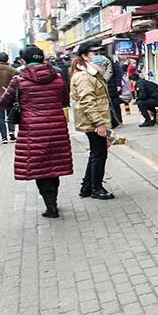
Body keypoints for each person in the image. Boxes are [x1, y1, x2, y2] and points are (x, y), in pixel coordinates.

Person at [0, 45, 72, 218]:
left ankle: (50, 206)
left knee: (42, 168)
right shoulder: (58, 78)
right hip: (57, 128)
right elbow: (65, 100)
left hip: (33, 130)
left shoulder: (19, 80)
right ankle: (53, 200)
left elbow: (4, 102)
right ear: (42, 59)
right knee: (55, 165)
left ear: (23, 61)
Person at [70, 43, 115, 200]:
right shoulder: (84, 76)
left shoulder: (93, 73)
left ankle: (87, 186)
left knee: (97, 153)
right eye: (94, 52)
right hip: (93, 121)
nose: (98, 55)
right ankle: (97, 188)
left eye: (99, 52)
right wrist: (99, 123)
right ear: (84, 56)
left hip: (96, 119)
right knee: (99, 154)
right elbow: (87, 101)